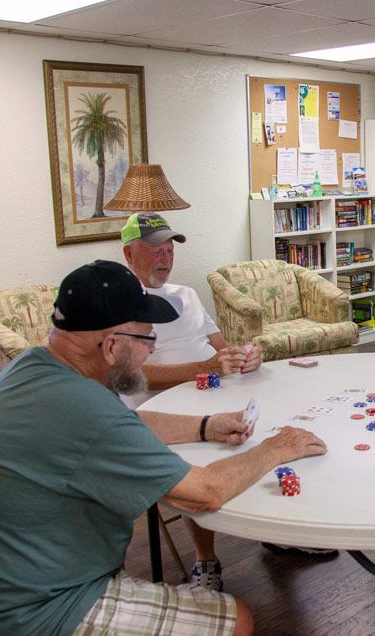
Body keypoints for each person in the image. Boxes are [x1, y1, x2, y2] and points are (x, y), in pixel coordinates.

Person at [0, 260, 327, 636]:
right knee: (239, 619)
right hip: (33, 614)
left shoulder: (37, 369)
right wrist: (277, 448)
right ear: (109, 347)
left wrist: (205, 426)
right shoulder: (83, 407)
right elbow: (202, 494)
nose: (150, 353)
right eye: (147, 339)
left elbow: (121, 426)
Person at [120, 211, 269, 591]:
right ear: (128, 254)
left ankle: (276, 529)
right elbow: (136, 376)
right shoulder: (120, 304)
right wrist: (204, 368)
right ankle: (206, 559)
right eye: (155, 250)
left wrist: (244, 357)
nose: (165, 257)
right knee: (198, 456)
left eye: (170, 249)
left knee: (268, 426)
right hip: (160, 406)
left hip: (215, 391)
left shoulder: (186, 295)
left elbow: (221, 348)